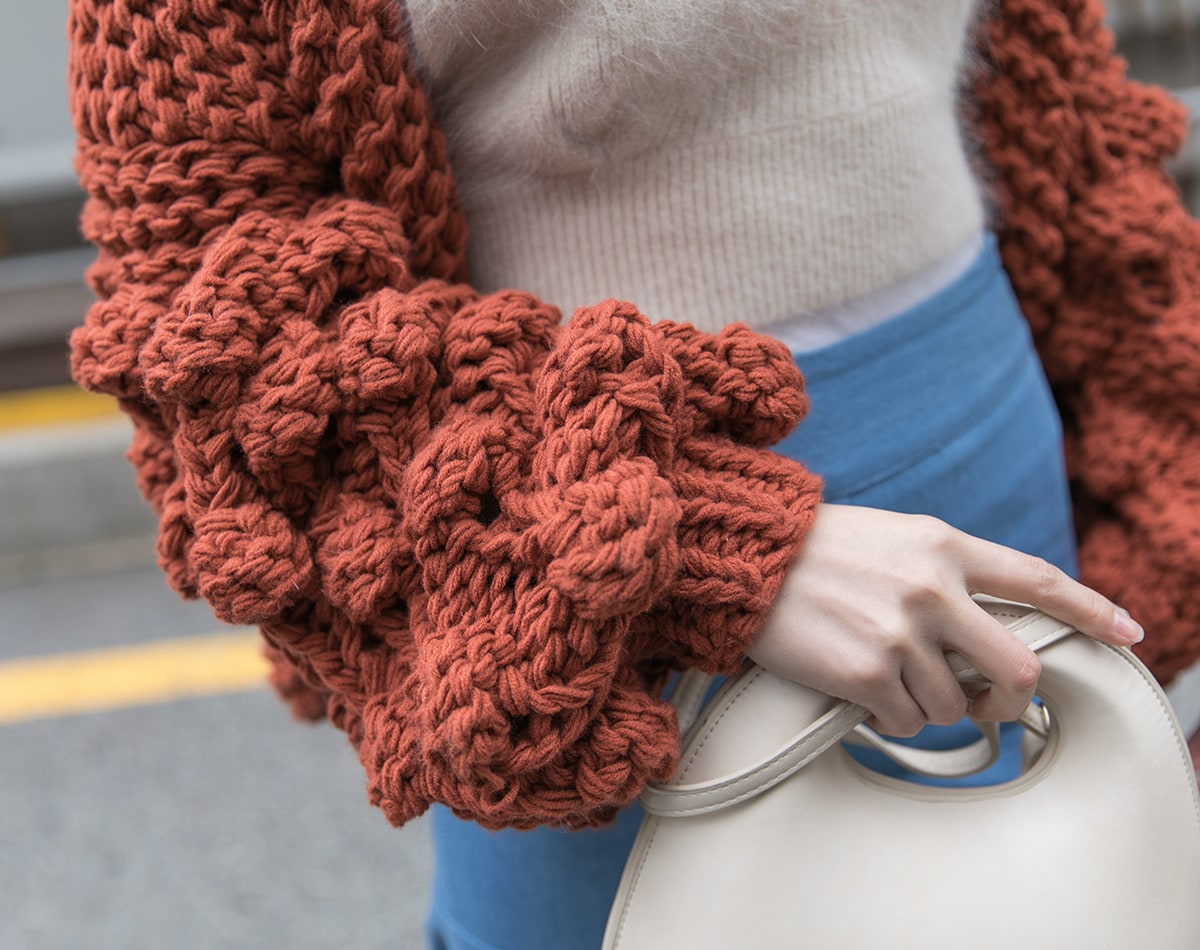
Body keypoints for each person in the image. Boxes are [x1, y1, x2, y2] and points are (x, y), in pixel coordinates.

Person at [66, 1, 1200, 948]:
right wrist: (717, 551)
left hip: (998, 469)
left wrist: (1170, 470)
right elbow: (223, 334)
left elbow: (1058, 105)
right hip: (575, 587)